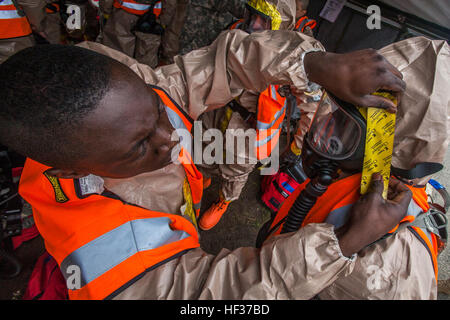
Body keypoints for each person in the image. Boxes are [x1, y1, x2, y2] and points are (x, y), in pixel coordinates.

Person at [0, 29, 406, 299]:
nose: (171, 136)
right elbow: (218, 298)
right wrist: (345, 244)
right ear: (75, 173)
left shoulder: (119, 105)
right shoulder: (112, 261)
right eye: (141, 146)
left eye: (158, 112)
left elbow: (218, 65)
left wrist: (313, 65)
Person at [257, 36, 450, 299]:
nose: (327, 129)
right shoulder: (349, 179)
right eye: (335, 114)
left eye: (345, 125)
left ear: (386, 152)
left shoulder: (391, 277)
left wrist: (344, 244)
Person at [197, 0, 319, 230]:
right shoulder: (234, 32)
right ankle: (204, 174)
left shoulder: (292, 59)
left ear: (279, 25)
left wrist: (296, 148)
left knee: (237, 168)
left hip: (250, 127)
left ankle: (224, 200)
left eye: (264, 20)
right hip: (218, 108)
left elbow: (312, 107)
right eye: (253, 16)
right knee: (204, 145)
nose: (254, 25)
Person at [99, 0, 187, 67]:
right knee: (145, 62)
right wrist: (163, 21)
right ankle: (142, 86)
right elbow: (170, 4)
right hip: (151, 20)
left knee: (116, 58)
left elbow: (106, 3)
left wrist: (106, 11)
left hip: (122, 16)